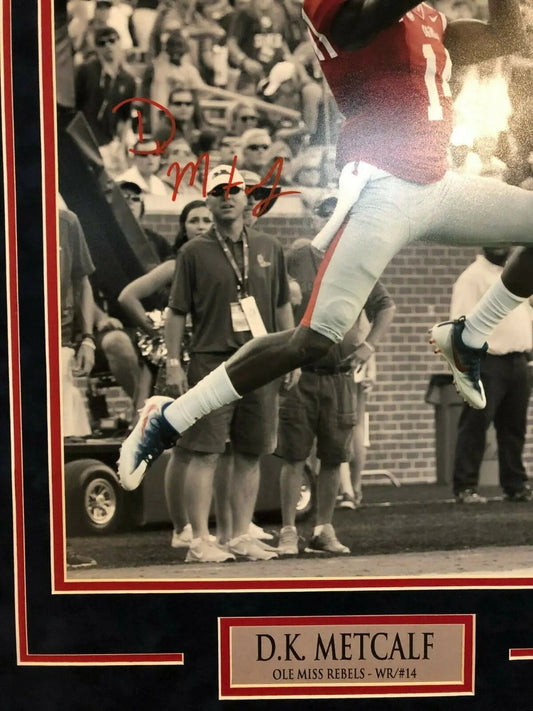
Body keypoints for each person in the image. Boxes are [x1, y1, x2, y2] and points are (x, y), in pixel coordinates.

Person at [118, 1, 533, 494]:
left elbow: (508, 36)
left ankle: (468, 336)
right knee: (314, 339)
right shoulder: (334, 8)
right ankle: (168, 418)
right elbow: (360, 25)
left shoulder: (428, 18)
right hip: (383, 189)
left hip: (440, 185)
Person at [159, 164, 294, 562]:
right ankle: (200, 540)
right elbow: (176, 312)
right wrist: (173, 362)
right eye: (218, 192)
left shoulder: (269, 247)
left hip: (262, 360)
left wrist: (291, 355)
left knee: (250, 452)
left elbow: (282, 306)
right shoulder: (192, 252)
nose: (227, 198)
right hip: (212, 362)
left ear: (246, 196)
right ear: (208, 200)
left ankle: (238, 535)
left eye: (234, 190)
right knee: (204, 451)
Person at [276, 196, 395, 557]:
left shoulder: (358, 260)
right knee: (294, 455)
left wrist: (369, 346)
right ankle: (287, 530)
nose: (335, 224)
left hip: (340, 374)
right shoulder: (299, 255)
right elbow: (276, 298)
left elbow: (386, 307)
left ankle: (323, 529)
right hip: (302, 372)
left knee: (333, 455)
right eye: (327, 216)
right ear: (315, 221)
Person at [117, 200, 214, 546]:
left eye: (206, 219)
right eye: (194, 220)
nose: (201, 225)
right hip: (178, 364)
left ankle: (211, 525)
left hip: (211, 359)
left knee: (209, 446)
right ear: (183, 227)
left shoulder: (221, 262)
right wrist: (155, 329)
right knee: (183, 447)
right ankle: (181, 528)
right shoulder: (175, 265)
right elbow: (128, 296)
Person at [450, 247, 533, 504]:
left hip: (519, 360)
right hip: (487, 361)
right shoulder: (472, 277)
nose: (500, 246)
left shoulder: (518, 271)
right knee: (475, 425)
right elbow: (460, 323)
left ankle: (515, 485)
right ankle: (465, 486)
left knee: (514, 428)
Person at [59, 206, 98, 570]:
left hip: (57, 345)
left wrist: (87, 337)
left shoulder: (66, 220)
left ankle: (60, 544)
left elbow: (82, 281)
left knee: (56, 448)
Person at [74, 25, 136, 148]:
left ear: (119, 42)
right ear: (96, 48)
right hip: (84, 138)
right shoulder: (86, 71)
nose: (108, 46)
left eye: (112, 41)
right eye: (101, 43)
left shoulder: (127, 80)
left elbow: (125, 117)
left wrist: (122, 147)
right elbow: (75, 105)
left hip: (109, 141)